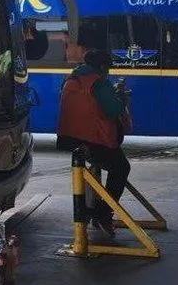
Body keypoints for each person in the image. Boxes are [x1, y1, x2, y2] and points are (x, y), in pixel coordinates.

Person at [55, 49, 131, 238]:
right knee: (121, 168)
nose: (108, 73)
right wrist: (121, 98)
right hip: (94, 140)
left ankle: (93, 211)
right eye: (108, 69)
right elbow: (114, 111)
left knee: (101, 167)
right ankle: (103, 213)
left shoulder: (71, 79)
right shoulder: (98, 83)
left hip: (72, 140)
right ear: (102, 67)